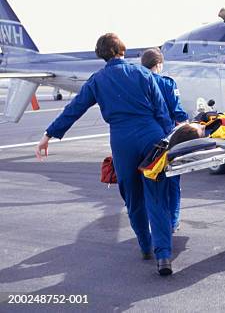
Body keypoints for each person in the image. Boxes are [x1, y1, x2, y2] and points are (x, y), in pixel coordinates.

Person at [35, 33, 176, 276]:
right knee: (157, 197)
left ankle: (145, 245)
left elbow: (75, 108)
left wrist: (50, 134)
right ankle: (163, 256)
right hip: (151, 136)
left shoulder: (97, 80)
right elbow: (161, 111)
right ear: (122, 49)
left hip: (122, 141)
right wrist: (167, 142)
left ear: (101, 54)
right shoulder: (143, 73)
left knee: (133, 197)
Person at [141, 48, 189, 233]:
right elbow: (177, 112)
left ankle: (155, 222)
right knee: (172, 182)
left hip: (143, 139)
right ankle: (172, 222)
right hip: (166, 139)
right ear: (159, 64)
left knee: (151, 183)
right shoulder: (167, 83)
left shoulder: (137, 84)